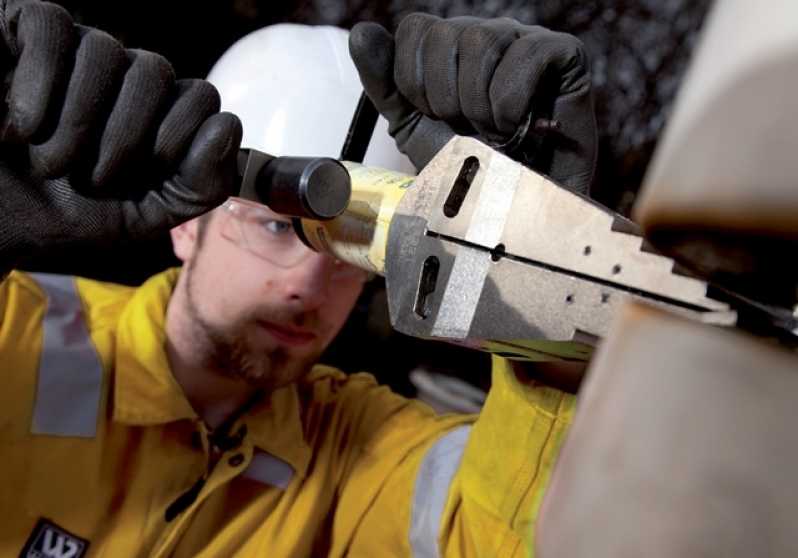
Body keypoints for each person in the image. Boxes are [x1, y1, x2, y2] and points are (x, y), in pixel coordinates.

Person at [0, 2, 597, 557]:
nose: (309, 288)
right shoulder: (18, 333)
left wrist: (541, 293)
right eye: (278, 229)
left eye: (354, 251)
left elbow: (498, 536)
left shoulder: (354, 449)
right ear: (185, 224)